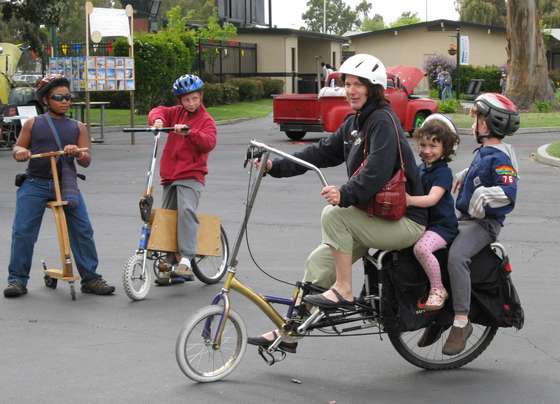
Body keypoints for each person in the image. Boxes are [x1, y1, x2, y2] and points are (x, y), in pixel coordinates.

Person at [247, 54, 427, 353]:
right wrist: (275, 166)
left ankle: (344, 290)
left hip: (406, 220)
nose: (351, 90)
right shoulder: (355, 122)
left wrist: (346, 193)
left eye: (359, 84)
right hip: (376, 216)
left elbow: (378, 169)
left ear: (375, 88)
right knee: (318, 262)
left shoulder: (383, 121)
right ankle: (290, 332)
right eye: (348, 83)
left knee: (335, 214)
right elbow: (320, 152)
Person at [4, 74, 115, 298]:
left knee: (83, 230)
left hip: (66, 184)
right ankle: (17, 280)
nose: (65, 101)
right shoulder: (34, 123)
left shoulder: (78, 127)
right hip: (35, 183)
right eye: (58, 97)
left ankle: (91, 278)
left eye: (68, 97)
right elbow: (17, 149)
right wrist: (22, 153)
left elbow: (86, 160)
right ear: (46, 99)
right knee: (23, 231)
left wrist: (77, 152)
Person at [441, 93, 520, 355]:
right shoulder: (487, 152)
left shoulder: (500, 158)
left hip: (484, 225)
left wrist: (481, 195)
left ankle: (461, 321)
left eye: (476, 118)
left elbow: (508, 194)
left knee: (457, 256)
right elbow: (480, 170)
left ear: (486, 126)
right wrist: (467, 174)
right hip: (467, 220)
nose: (473, 123)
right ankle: (441, 315)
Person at [148, 74, 217, 281]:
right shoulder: (176, 113)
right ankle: (169, 260)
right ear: (180, 100)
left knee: (186, 211)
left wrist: (190, 133)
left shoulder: (206, 120)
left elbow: (209, 142)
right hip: (170, 174)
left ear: (201, 96)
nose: (191, 103)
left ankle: (186, 258)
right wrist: (157, 120)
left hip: (191, 174)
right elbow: (158, 111)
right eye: (186, 100)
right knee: (167, 216)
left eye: (195, 98)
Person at [406, 114, 460, 312]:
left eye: (433, 146)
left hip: (442, 227)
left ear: (445, 148)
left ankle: (438, 289)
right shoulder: (421, 169)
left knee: (421, 249)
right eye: (423, 145)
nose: (427, 151)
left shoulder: (443, 173)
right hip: (424, 224)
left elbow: (432, 199)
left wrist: (409, 200)